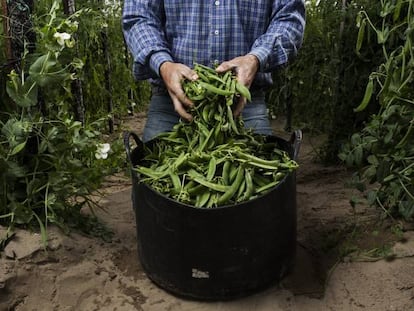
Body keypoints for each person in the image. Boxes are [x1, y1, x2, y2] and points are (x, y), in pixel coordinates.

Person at [122, 1, 305, 143]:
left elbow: (289, 15)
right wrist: (163, 64)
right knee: (153, 186)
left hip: (243, 105)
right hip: (171, 106)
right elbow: (139, 17)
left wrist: (256, 58)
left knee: (263, 186)